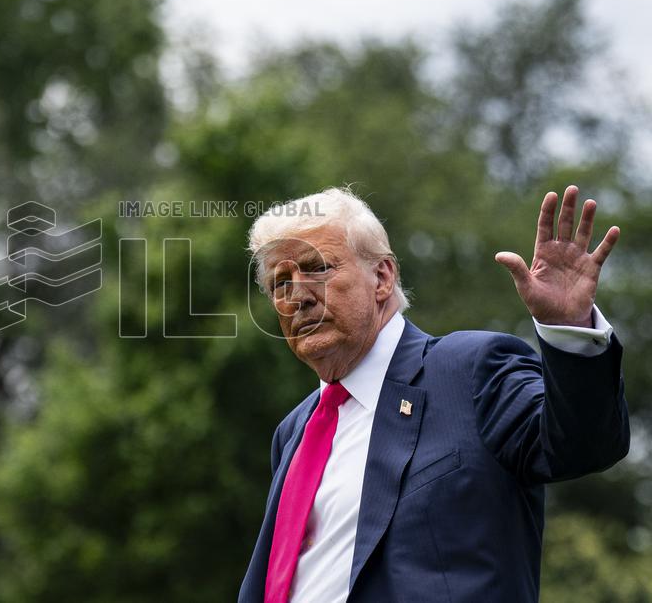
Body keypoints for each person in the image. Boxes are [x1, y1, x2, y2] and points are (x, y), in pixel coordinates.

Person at [238, 185, 628, 603]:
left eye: (317, 268)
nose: (296, 296)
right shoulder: (294, 432)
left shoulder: (470, 368)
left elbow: (584, 445)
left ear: (382, 278)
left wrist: (568, 331)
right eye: (280, 283)